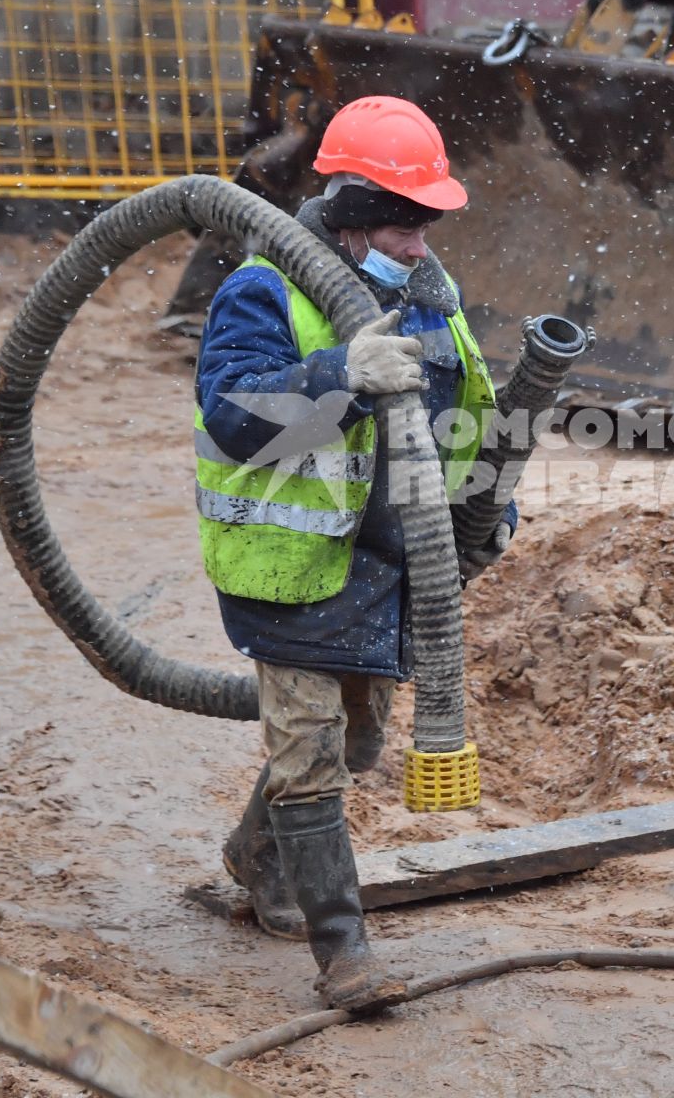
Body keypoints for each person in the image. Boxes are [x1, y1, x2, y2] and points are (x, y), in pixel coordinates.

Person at [192, 96, 514, 1008]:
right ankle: (344, 955)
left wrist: (492, 507)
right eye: (403, 226)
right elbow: (232, 421)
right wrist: (338, 376)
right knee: (312, 749)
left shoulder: (431, 301)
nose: (418, 245)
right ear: (346, 213)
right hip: (293, 575)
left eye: (425, 226)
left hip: (384, 572)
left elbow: (463, 423)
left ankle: (257, 854)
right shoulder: (264, 292)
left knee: (360, 740)